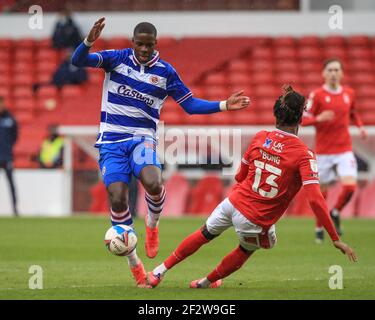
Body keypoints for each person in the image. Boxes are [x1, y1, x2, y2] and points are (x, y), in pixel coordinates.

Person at [71, 18, 250, 287]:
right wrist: (89, 41)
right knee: (118, 198)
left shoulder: (165, 72)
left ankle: (152, 225)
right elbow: (78, 61)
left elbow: (190, 104)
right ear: (133, 43)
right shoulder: (115, 59)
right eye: (140, 44)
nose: (144, 48)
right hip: (111, 141)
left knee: (153, 182)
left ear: (156, 44)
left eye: (149, 44)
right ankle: (135, 263)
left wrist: (224, 104)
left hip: (142, 139)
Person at [145, 85, 357, 289]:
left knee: (204, 233)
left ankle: (158, 272)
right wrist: (335, 238)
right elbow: (315, 199)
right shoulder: (304, 155)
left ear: (276, 115)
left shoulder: (260, 137)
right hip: (256, 218)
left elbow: (239, 176)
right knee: (246, 249)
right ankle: (205, 283)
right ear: (301, 118)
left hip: (232, 203)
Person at [302, 58, 367, 243]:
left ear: (342, 73)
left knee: (350, 186)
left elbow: (353, 113)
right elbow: (303, 120)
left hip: (344, 149)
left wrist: (360, 126)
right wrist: (319, 118)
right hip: (323, 152)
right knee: (321, 193)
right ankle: (318, 227)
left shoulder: (349, 93)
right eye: (330, 69)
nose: (333, 73)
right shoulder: (316, 95)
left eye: (337, 69)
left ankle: (336, 211)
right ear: (323, 73)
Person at [0, 96, 19, 216]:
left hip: (6, 156)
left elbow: (14, 136)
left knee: (11, 183)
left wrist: (8, 148)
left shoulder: (10, 119)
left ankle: (15, 209)